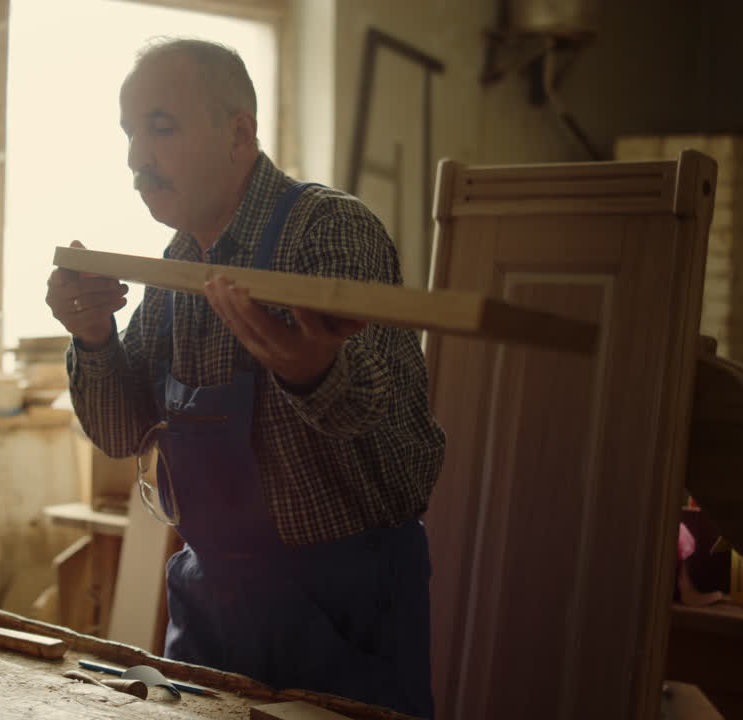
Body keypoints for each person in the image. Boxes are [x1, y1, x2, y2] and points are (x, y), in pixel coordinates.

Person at [44, 37, 445, 718]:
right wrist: (93, 337)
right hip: (214, 607)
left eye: (160, 128)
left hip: (339, 611)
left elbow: (395, 452)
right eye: (131, 133)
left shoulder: (327, 231)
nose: (138, 157)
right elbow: (118, 433)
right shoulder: (178, 266)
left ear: (239, 133)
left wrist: (317, 373)